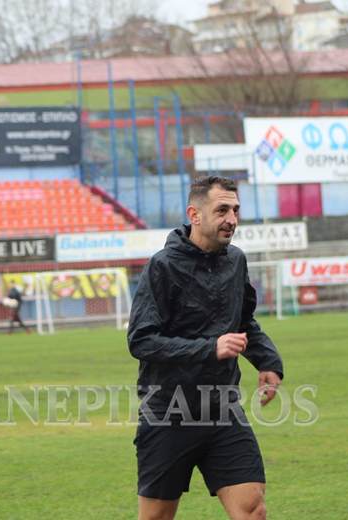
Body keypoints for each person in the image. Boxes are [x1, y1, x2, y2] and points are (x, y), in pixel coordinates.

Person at [128, 176, 284, 520]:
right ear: (194, 215)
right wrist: (209, 348)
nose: (232, 219)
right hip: (168, 413)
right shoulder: (162, 266)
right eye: (222, 210)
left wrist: (268, 362)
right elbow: (141, 339)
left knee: (253, 509)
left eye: (236, 210)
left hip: (223, 410)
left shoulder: (236, 261)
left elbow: (243, 321)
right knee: (155, 517)